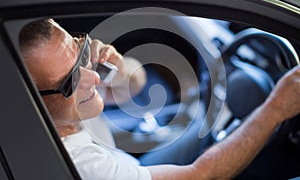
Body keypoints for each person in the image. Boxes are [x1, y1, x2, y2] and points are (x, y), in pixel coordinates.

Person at [19, 18, 300, 180]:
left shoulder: (59, 107)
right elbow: (202, 175)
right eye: (70, 81)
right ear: (29, 102)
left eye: (81, 53)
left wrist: (115, 67)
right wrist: (276, 108)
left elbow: (132, 86)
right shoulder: (86, 168)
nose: (92, 78)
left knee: (205, 123)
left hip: (132, 165)